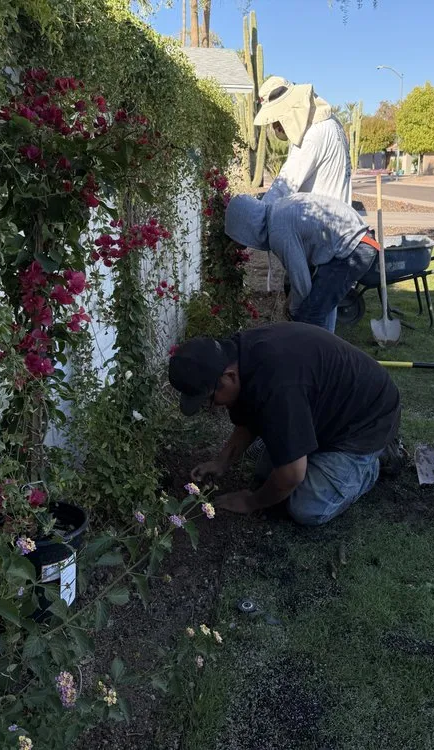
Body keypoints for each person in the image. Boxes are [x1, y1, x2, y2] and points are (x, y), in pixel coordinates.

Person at [168, 323, 402, 526]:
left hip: (367, 422)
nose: (210, 406)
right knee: (266, 474)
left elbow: (291, 475)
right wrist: (222, 462)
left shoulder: (277, 386)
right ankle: (318, 452)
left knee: (306, 507)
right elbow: (247, 418)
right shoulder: (238, 356)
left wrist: (251, 501)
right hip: (329, 410)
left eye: (209, 399)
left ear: (229, 377)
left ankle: (375, 462)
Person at [224, 192, 378, 332]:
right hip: (355, 243)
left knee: (308, 316)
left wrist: (291, 309)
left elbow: (302, 285)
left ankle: (317, 359)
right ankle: (326, 352)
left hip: (354, 248)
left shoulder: (278, 231)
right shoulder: (278, 211)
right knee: (319, 305)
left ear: (247, 226)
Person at [255, 77, 352, 206]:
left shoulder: (312, 135)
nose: (274, 126)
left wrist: (256, 217)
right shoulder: (331, 122)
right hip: (339, 218)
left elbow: (284, 186)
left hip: (321, 222)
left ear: (290, 111)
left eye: (277, 117)